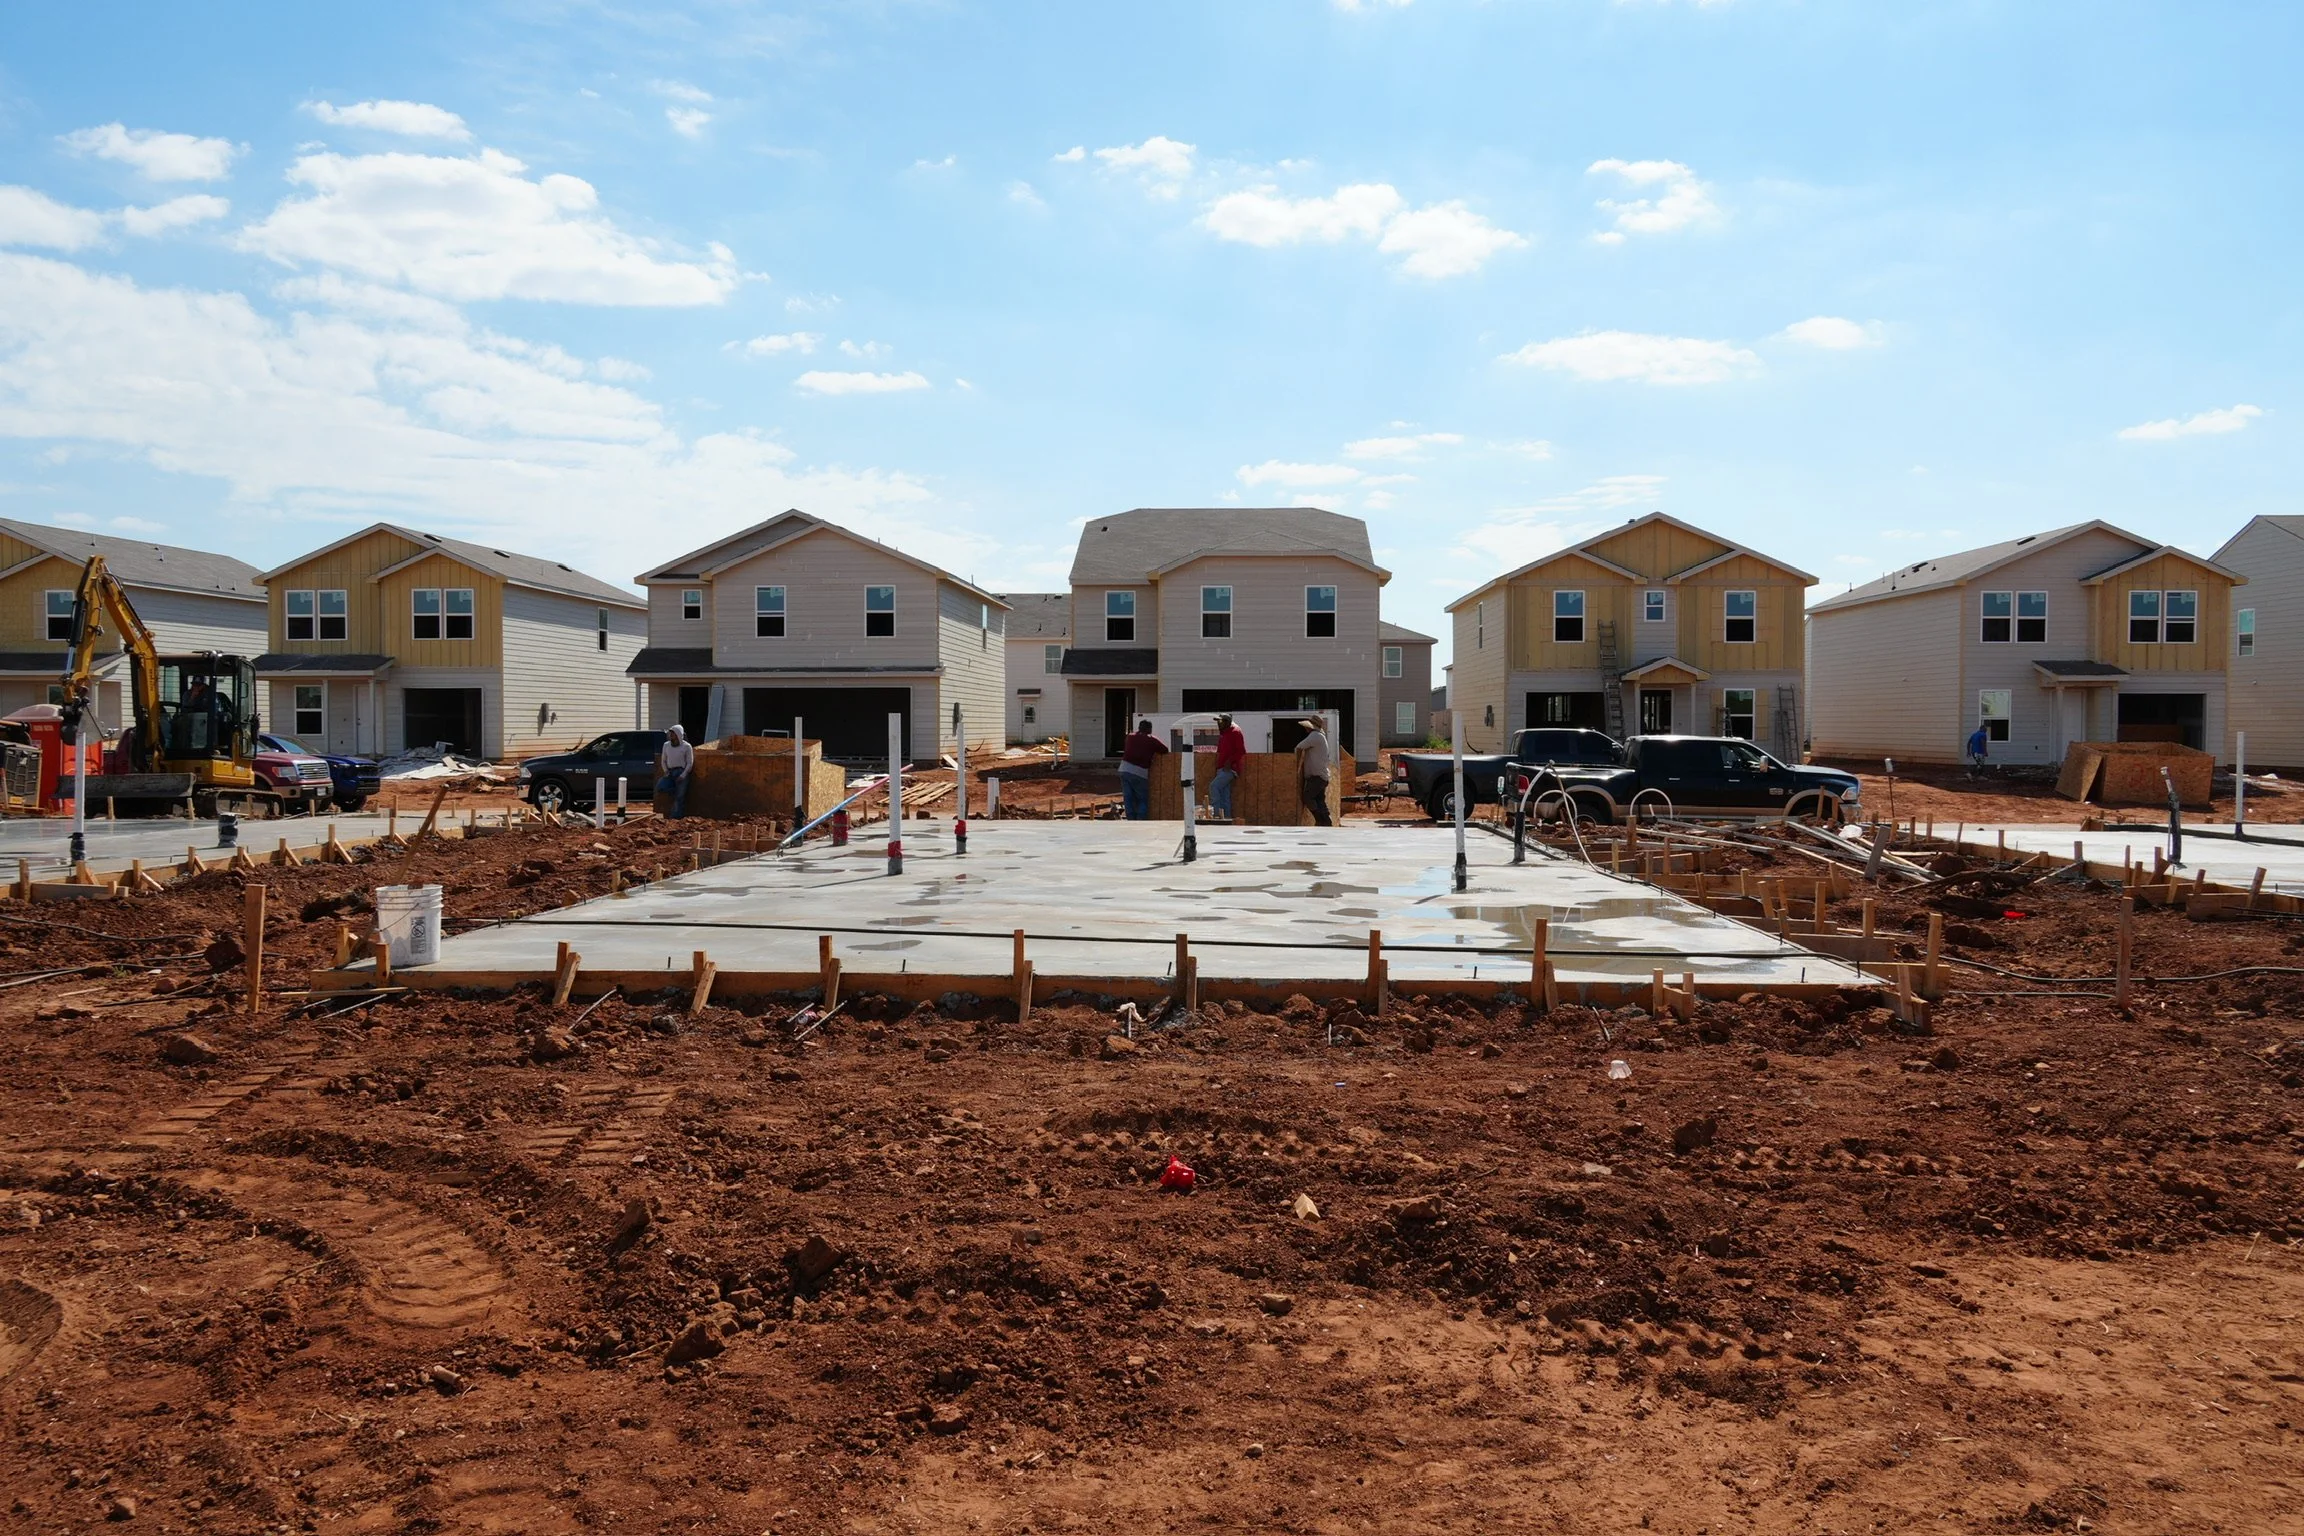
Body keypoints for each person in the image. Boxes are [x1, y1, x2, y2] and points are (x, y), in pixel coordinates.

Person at [1117, 719, 1166, 819]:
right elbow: (1165, 750)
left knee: (1128, 797)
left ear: (1139, 728)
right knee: (1142, 798)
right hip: (1139, 772)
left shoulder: (1130, 737)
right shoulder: (1152, 740)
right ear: (1149, 729)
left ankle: (1131, 819)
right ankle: (1141, 820)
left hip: (1124, 769)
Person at [1293, 716, 1334, 827]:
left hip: (1316, 776)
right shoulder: (1320, 736)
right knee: (1319, 800)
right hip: (1321, 776)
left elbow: (1298, 747)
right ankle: (1326, 821)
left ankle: (1320, 819)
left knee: (1308, 797)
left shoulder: (1315, 736)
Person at [1210, 713, 1246, 823]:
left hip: (1230, 769)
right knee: (1225, 795)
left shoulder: (1235, 732)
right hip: (1223, 768)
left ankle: (1216, 816)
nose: (1218, 724)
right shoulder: (1224, 733)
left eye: (1220, 722)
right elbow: (1222, 752)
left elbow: (1241, 751)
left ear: (1227, 722)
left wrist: (1229, 762)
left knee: (1214, 787)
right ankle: (1226, 819)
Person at [658, 724, 696, 818]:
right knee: (660, 787)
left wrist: (683, 775)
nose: (670, 735)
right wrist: (666, 771)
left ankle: (676, 817)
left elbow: (689, 763)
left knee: (680, 797)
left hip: (681, 772)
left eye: (673, 733)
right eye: (670, 733)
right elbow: (663, 760)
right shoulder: (666, 745)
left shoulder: (686, 746)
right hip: (670, 772)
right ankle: (674, 790)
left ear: (678, 734)